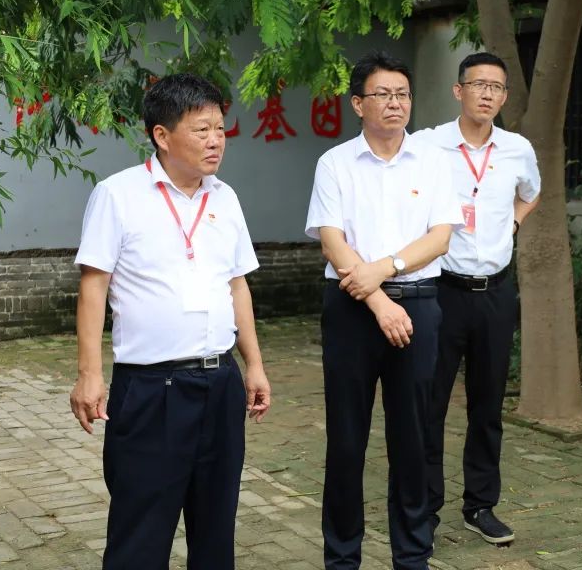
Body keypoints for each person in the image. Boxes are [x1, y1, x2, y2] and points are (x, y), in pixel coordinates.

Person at [69, 73, 271, 570]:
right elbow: (94, 286)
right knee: (140, 535)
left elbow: (237, 285)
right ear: (162, 135)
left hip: (220, 384)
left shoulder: (225, 197)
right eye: (201, 129)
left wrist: (254, 365)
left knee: (216, 532)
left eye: (220, 128)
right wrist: (90, 374)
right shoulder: (118, 195)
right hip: (151, 391)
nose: (216, 140)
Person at [305, 51, 464, 570]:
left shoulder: (434, 161)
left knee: (413, 437)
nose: (395, 103)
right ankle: (341, 557)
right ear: (358, 104)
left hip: (418, 306)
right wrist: (377, 299)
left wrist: (386, 269)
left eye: (403, 94)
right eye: (383, 94)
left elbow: (440, 237)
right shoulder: (335, 163)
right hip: (352, 310)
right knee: (346, 439)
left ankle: (412, 555)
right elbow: (332, 240)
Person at [416, 52, 540, 545]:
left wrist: (513, 224)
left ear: (504, 97)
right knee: (429, 404)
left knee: (487, 406)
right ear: (459, 90)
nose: (487, 94)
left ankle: (480, 505)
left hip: (496, 292)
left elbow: (531, 193)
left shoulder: (517, 149)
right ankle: (424, 508)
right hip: (441, 291)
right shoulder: (427, 145)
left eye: (496, 87)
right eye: (478, 84)